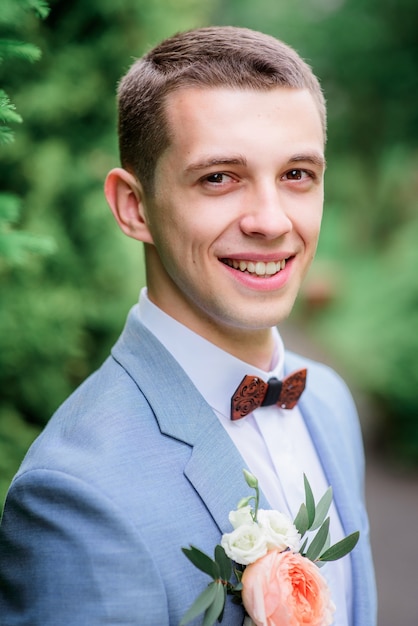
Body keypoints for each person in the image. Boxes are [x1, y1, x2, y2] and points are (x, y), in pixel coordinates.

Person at [0, 26, 376, 625]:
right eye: (219, 178)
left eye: (297, 174)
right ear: (135, 206)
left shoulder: (327, 403)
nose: (271, 220)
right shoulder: (76, 495)